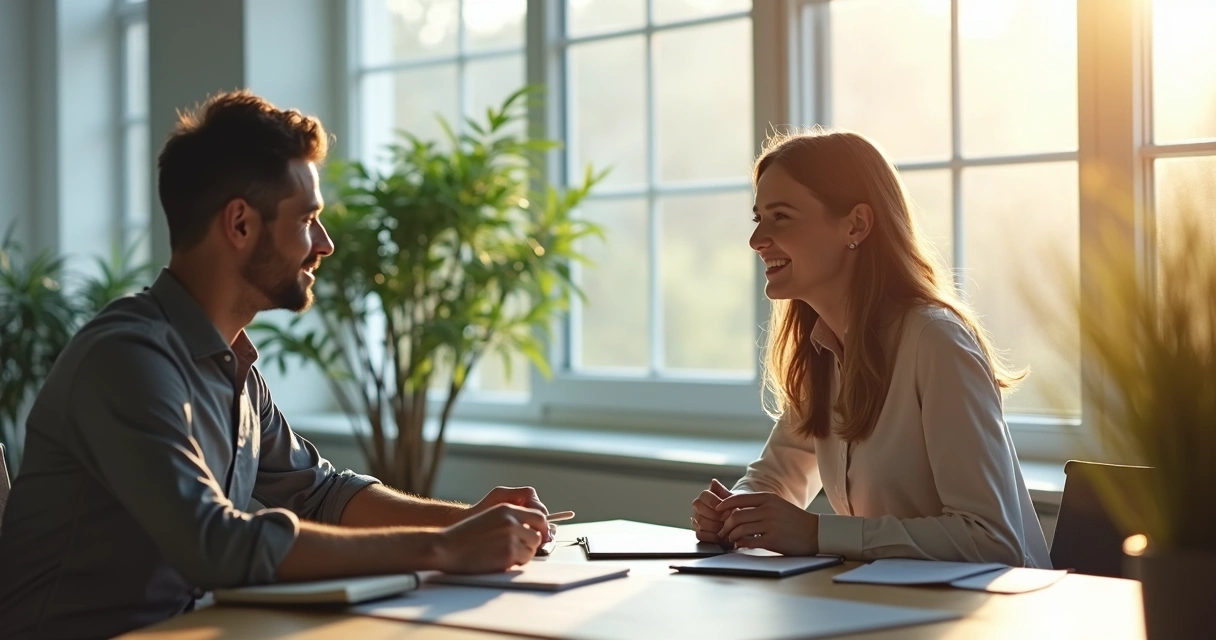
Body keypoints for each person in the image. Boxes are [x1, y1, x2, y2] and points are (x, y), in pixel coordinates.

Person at [0, 90, 555, 639]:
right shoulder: (125, 361)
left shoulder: (234, 369)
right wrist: (444, 548)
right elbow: (214, 544)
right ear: (239, 224)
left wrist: (467, 520)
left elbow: (322, 492)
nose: (325, 244)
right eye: (308, 218)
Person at [690, 129, 1051, 568]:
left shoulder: (935, 341)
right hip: (888, 610)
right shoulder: (822, 349)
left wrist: (816, 533)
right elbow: (777, 477)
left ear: (856, 225)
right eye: (758, 218)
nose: (757, 239)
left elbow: (992, 540)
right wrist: (735, 512)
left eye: (781, 216)